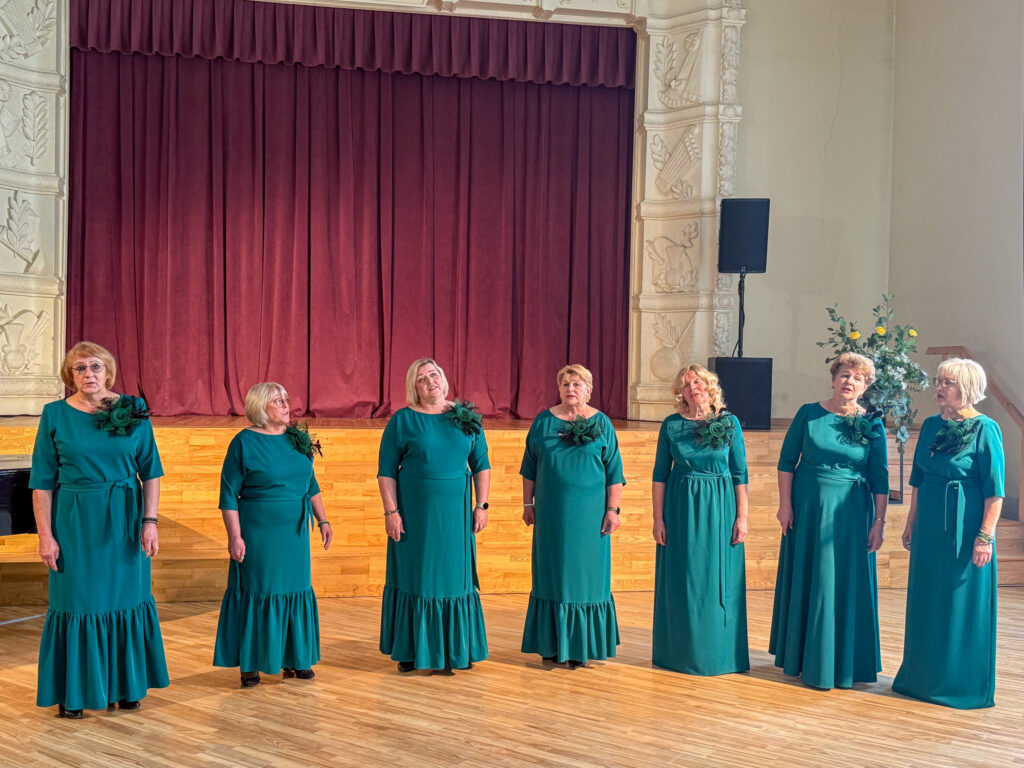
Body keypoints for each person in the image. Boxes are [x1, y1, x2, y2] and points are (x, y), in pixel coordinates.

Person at [29, 341, 168, 718]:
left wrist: (150, 521)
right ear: (69, 375)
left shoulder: (133, 408)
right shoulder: (55, 414)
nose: (88, 374)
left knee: (126, 599)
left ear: (107, 371)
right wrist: (46, 536)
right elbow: (41, 483)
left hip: (125, 520)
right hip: (75, 522)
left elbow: (151, 472)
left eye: (95, 367)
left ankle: (126, 687)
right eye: (79, 368)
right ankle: (73, 693)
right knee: (77, 602)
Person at [769, 352, 888, 689]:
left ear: (865, 387)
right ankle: (806, 658)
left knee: (844, 582)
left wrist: (879, 522)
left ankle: (843, 661)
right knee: (814, 577)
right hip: (808, 509)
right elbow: (786, 462)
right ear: (833, 379)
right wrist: (785, 505)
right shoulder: (808, 413)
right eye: (845, 375)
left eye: (857, 378)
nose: (849, 381)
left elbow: (880, 478)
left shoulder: (873, 424)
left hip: (852, 513)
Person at [893, 358, 1004, 709]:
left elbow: (995, 492)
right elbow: (918, 479)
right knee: (928, 599)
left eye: (948, 383)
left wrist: (985, 537)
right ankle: (920, 680)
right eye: (938, 381)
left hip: (965, 528)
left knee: (959, 603)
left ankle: (959, 684)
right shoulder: (930, 425)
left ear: (967, 388)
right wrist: (911, 522)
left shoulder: (986, 429)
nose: (939, 388)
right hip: (929, 527)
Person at [213, 382, 331, 687]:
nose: (286, 405)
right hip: (258, 533)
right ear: (259, 407)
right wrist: (235, 537)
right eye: (277, 401)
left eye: (286, 399)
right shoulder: (243, 442)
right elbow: (228, 495)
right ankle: (251, 664)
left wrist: (323, 520)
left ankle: (296, 659)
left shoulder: (297, 438)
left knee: (296, 589)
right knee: (259, 591)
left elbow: (311, 484)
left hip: (294, 535)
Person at [377, 358, 490, 673]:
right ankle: (411, 650)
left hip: (455, 517)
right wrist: (391, 512)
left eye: (434, 375)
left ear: (443, 378)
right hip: (415, 517)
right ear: (414, 387)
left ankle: (457, 650)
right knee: (417, 577)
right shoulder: (403, 421)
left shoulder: (465, 417)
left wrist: (482, 505)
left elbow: (481, 464)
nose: (430, 381)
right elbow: (386, 471)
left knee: (454, 579)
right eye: (422, 378)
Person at [520, 363, 625, 668]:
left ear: (589, 390)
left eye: (577, 384)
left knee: (585, 578)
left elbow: (614, 472)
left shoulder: (602, 423)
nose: (571, 389)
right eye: (565, 384)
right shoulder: (543, 422)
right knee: (551, 575)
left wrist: (612, 510)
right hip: (551, 515)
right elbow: (529, 467)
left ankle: (580, 647)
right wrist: (528, 504)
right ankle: (551, 644)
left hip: (590, 517)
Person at [652, 364, 749, 675]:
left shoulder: (729, 422)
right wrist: (658, 518)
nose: (693, 388)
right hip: (680, 507)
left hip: (721, 506)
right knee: (685, 577)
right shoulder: (671, 425)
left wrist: (742, 517)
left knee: (718, 578)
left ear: (710, 386)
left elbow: (740, 474)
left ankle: (720, 653)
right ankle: (679, 653)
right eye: (686, 385)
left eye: (697, 382)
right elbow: (659, 475)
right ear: (680, 393)